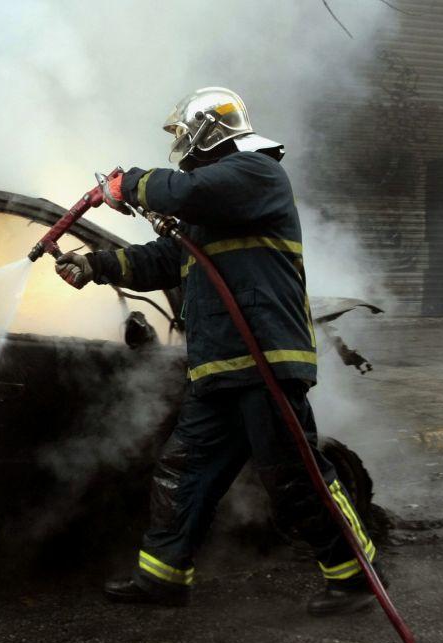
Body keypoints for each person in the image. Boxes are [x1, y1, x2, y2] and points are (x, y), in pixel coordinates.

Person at [54, 87, 382, 615]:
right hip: (218, 368)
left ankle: (355, 578)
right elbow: (169, 256)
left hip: (263, 361)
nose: (181, 146)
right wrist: (99, 266)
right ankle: (162, 578)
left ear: (209, 131)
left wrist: (132, 182)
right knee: (181, 473)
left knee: (294, 479)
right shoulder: (212, 204)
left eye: (185, 134)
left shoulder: (256, 175)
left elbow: (185, 194)